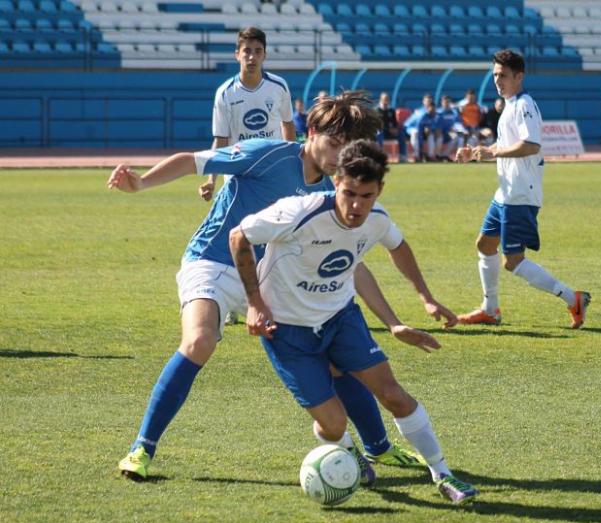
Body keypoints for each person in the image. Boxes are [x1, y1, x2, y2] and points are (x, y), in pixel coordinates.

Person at [108, 92, 440, 482]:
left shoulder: (335, 191)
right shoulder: (268, 154)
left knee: (334, 354)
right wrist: (141, 183)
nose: (338, 156)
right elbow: (192, 161)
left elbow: (352, 262)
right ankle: (142, 448)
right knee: (199, 341)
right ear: (311, 132)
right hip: (214, 262)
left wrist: (395, 317)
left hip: (271, 279)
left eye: (346, 148)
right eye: (332, 144)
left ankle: (379, 447)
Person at [229, 139, 477, 503]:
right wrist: (254, 303)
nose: (357, 205)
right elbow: (239, 236)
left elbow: (399, 247)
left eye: (367, 195)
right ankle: (352, 455)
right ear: (335, 183)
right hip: (286, 330)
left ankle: (442, 474)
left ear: (379, 191)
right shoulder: (297, 213)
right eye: (349, 194)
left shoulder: (377, 220)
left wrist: (422, 300)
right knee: (332, 423)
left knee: (395, 396)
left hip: (340, 318)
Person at [455, 49, 591, 328]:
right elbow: (505, 145)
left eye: (503, 75)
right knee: (484, 244)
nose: (497, 80)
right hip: (505, 192)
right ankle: (490, 309)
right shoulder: (509, 105)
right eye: (494, 75)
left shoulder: (525, 104)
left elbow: (531, 145)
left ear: (519, 76)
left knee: (513, 261)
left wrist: (494, 154)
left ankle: (572, 298)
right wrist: (479, 152)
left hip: (519, 193)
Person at [198, 27, 296, 203]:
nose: (252, 57)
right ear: (237, 54)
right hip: (238, 169)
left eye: (258, 51)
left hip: (271, 168)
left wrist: (292, 166)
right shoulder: (225, 93)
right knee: (237, 227)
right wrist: (211, 180)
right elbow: (221, 139)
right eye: (247, 51)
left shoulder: (279, 86)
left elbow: (287, 125)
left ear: (264, 55)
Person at [375, 92, 408, 163]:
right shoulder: (376, 110)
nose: (386, 101)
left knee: (401, 134)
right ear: (381, 100)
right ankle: (379, 157)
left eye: (387, 99)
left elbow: (395, 123)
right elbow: (375, 124)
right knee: (379, 134)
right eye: (385, 99)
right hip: (381, 131)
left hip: (390, 132)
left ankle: (402, 156)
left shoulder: (391, 111)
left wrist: (395, 129)